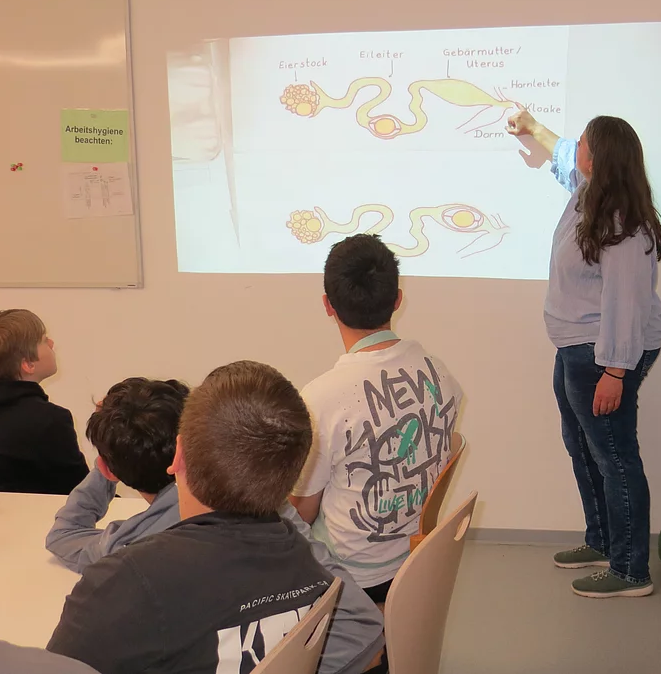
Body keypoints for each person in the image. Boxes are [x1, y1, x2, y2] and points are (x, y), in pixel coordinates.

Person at [47, 361, 384, 674]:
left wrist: (106, 465)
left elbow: (65, 535)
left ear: (181, 453)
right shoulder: (288, 529)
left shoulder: (122, 572)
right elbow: (366, 638)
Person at [506, 110, 661, 598]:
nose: (574, 148)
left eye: (582, 143)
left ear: (597, 158)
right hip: (576, 346)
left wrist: (615, 372)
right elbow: (561, 156)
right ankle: (602, 542)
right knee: (582, 445)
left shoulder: (623, 226)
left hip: (604, 352)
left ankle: (630, 571)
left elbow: (625, 305)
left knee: (615, 456)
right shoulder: (589, 193)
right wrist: (532, 128)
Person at [290, 234, 463, 605]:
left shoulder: (320, 400)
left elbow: (302, 511)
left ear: (327, 305)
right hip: (414, 560)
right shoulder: (440, 375)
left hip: (350, 576)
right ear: (397, 299)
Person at [45, 378, 190, 572]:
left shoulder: (129, 544)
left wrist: (107, 460)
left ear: (108, 470)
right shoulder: (227, 498)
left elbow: (63, 535)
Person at [0, 309, 88, 494]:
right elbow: (82, 494)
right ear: (28, 364)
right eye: (44, 340)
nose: (52, 343)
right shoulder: (50, 420)